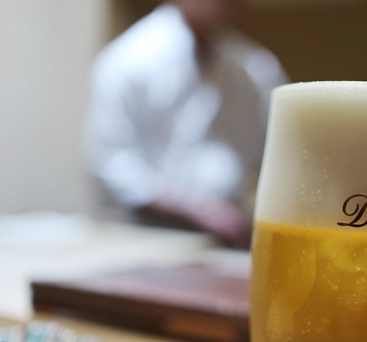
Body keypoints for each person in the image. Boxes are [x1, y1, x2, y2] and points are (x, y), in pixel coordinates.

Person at [84, 0, 287, 247]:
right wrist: (200, 211)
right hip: (147, 235)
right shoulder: (128, 60)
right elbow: (112, 163)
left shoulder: (257, 69)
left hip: (233, 236)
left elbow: (279, 155)